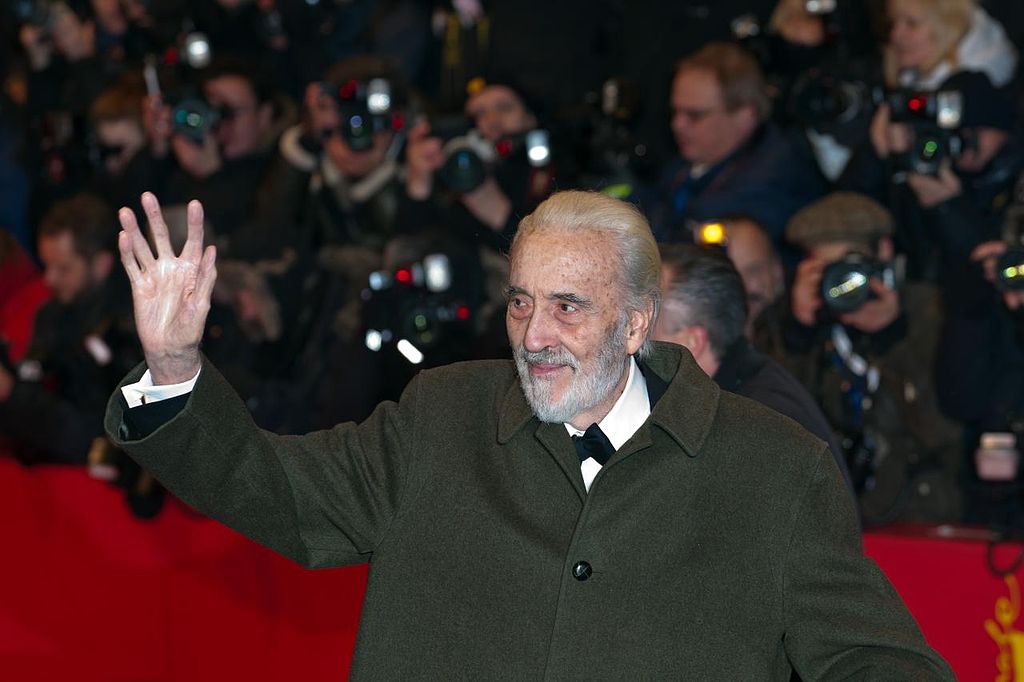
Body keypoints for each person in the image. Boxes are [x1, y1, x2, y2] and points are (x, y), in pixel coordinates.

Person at [106, 190, 952, 678]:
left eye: (568, 306)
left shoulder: (773, 469)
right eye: (520, 300)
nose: (533, 333)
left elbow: (872, 663)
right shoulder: (441, 417)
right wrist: (177, 364)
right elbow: (276, 492)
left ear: (637, 326)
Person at [783, 192, 963, 525]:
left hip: (922, 512)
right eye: (828, 271)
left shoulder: (931, 312)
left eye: (851, 268)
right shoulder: (801, 322)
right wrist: (798, 336)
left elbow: (943, 430)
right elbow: (778, 435)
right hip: (831, 516)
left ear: (884, 252)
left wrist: (892, 339)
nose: (844, 286)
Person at [654, 243, 851, 493]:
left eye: (646, 327)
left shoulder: (759, 428)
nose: (630, 340)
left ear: (692, 343)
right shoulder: (729, 397)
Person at [640, 42, 826, 245]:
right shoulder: (686, 164)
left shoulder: (777, 175)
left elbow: (687, 227)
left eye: (695, 115)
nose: (677, 125)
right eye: (675, 112)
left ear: (746, 116)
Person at [0, 193, 138, 465]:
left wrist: (11, 393)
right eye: (46, 266)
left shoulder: (129, 330)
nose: (49, 280)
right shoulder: (51, 315)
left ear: (101, 264)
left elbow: (101, 436)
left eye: (63, 269)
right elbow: (37, 382)